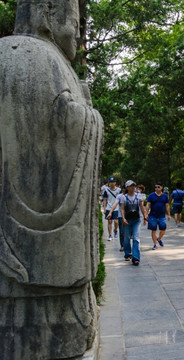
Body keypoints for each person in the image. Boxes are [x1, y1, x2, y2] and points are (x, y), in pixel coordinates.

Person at [0, 0, 103, 357]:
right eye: (74, 22)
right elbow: (63, 125)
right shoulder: (39, 56)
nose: (78, 32)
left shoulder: (13, 54)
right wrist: (90, 116)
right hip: (46, 277)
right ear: (46, 14)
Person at [120, 180, 148, 265]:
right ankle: (127, 254)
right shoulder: (123, 197)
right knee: (126, 238)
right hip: (127, 220)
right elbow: (122, 209)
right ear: (127, 187)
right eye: (131, 186)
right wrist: (123, 218)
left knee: (136, 238)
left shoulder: (138, 196)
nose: (133, 187)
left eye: (134, 185)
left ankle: (136, 258)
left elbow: (141, 206)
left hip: (136, 220)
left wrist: (145, 216)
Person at [146, 182, 171, 249]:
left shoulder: (165, 196)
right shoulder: (151, 195)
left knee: (163, 229)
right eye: (156, 187)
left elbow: (167, 205)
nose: (157, 188)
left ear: (162, 187)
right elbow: (148, 204)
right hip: (153, 215)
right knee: (153, 230)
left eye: (158, 187)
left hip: (162, 216)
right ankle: (155, 244)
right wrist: (146, 214)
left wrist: (169, 214)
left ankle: (159, 239)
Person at [107, 185, 127, 252]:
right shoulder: (120, 196)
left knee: (128, 233)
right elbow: (115, 204)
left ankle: (127, 246)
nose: (124, 191)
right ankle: (122, 245)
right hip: (121, 216)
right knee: (121, 232)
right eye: (123, 190)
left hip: (130, 217)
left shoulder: (134, 195)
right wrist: (110, 212)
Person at [102, 177, 121, 241]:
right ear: (109, 183)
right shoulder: (106, 190)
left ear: (115, 183)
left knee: (116, 221)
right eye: (111, 182)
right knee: (109, 221)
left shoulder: (119, 190)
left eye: (113, 182)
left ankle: (115, 230)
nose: (112, 183)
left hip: (116, 207)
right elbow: (104, 199)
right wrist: (104, 208)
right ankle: (110, 235)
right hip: (109, 207)